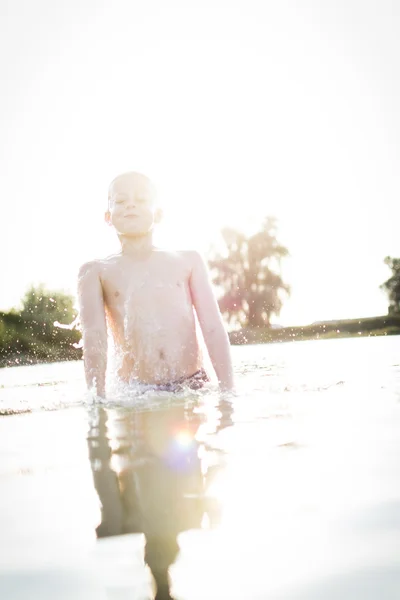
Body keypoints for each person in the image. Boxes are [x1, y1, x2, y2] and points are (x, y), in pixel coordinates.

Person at [77, 171, 234, 398]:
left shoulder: (188, 261)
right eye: (121, 201)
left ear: (158, 214)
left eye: (141, 200)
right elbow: (94, 338)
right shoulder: (95, 271)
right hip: (136, 391)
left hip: (193, 385)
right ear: (108, 217)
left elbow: (213, 327)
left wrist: (228, 390)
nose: (131, 205)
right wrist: (97, 401)